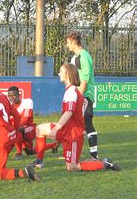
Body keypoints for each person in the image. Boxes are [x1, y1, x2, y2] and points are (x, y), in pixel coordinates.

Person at [33, 63, 120, 172]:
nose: (58, 73)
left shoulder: (71, 92)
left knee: (72, 167)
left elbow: (69, 113)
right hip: (66, 130)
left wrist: (55, 129)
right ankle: (39, 162)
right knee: (39, 129)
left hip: (72, 135)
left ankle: (105, 164)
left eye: (61, 71)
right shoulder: (71, 91)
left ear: (67, 74)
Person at [0, 70, 40, 182]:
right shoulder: (3, 96)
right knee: (0, 162)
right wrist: (14, 132)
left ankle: (25, 172)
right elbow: (16, 116)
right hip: (10, 135)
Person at [66, 31, 98, 159]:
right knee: (74, 124)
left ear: (74, 42)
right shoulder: (75, 57)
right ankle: (71, 151)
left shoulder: (84, 57)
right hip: (78, 95)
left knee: (87, 123)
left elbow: (84, 81)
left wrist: (78, 98)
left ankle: (94, 156)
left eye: (68, 42)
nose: (67, 45)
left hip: (85, 96)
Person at [7, 86, 57, 160]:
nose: (12, 98)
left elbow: (25, 120)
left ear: (19, 95)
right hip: (19, 132)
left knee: (17, 130)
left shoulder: (27, 102)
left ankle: (19, 153)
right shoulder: (8, 106)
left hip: (29, 129)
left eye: (14, 95)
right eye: (10, 96)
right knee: (30, 152)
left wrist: (12, 128)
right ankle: (53, 145)